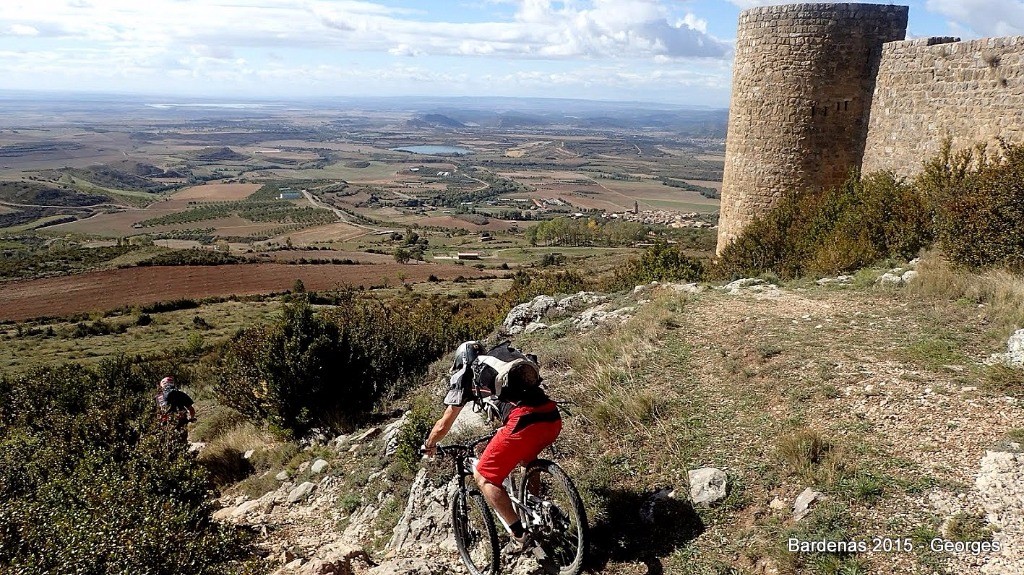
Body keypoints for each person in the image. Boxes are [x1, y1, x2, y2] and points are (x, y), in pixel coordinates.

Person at [423, 341, 562, 552]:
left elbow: (444, 424)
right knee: (527, 458)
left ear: (461, 361)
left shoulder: (469, 376)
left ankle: (520, 535)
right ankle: (537, 509)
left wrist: (429, 444)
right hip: (551, 417)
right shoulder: (499, 370)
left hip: (522, 421)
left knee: (484, 477)